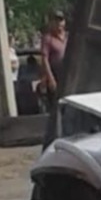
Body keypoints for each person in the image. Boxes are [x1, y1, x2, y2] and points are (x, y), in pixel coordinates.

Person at [41, 10, 69, 146]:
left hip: (68, 76)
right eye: (56, 20)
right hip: (55, 76)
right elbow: (44, 59)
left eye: (61, 20)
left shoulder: (68, 37)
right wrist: (50, 78)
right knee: (56, 109)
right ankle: (54, 140)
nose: (59, 23)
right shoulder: (48, 38)